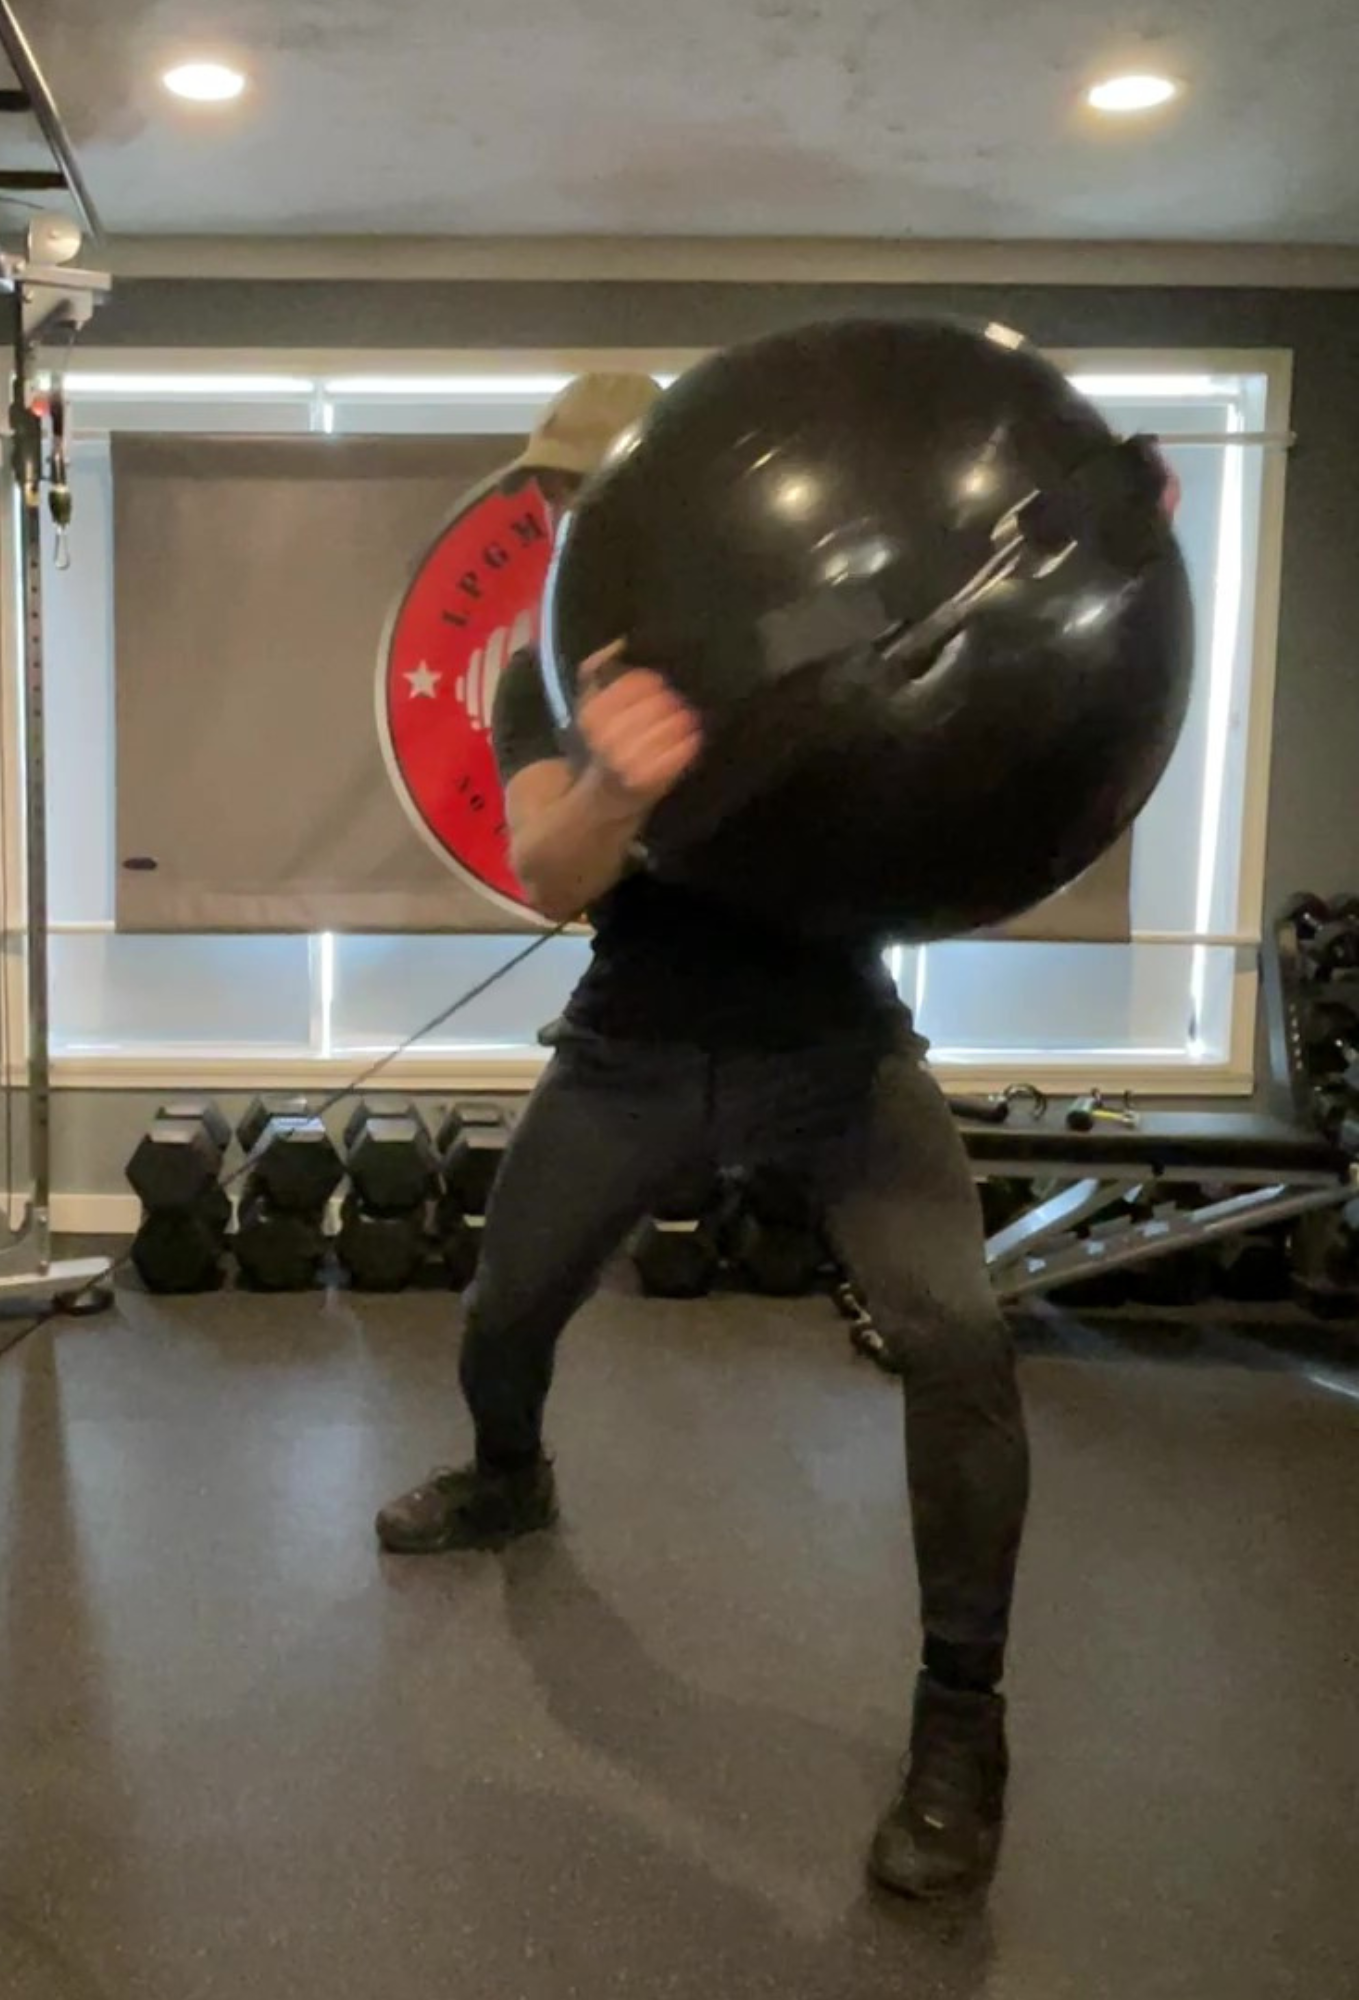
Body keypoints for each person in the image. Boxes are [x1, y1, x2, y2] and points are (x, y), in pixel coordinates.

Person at [375, 373, 1029, 1901]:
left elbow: (985, 627)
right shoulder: (550, 673)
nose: (559, 528)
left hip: (836, 1048)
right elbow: (546, 864)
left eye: (586, 501)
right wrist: (618, 778)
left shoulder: (817, 630)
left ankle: (961, 1720)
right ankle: (508, 1472)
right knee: (505, 1312)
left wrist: (1097, 572)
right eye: (548, 505)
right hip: (637, 1049)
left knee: (958, 1339)